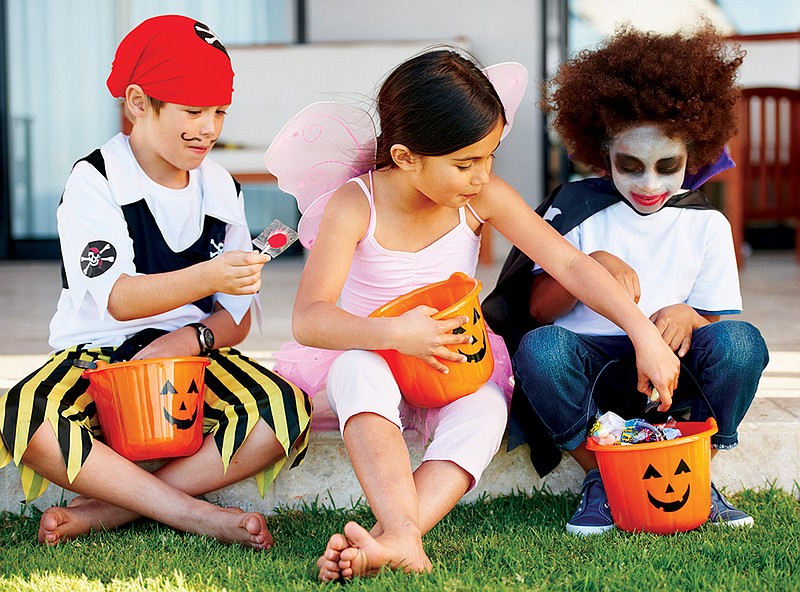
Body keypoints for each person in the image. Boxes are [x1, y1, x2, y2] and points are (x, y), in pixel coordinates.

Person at [265, 48, 680, 580]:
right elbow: (310, 319)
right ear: (406, 157)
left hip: (454, 362)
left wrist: (642, 332)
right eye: (465, 163)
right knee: (355, 370)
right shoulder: (356, 204)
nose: (481, 176)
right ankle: (403, 533)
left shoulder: (479, 197)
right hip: (376, 352)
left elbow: (571, 265)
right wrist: (394, 333)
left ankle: (398, 539)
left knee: (485, 411)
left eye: (490, 156)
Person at [0, 15, 311, 548]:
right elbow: (119, 299)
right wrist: (210, 274)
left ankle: (111, 510)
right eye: (193, 111)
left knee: (285, 410)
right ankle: (191, 514)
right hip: (96, 357)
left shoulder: (220, 185)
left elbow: (234, 321)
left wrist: (189, 337)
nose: (209, 128)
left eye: (219, 112)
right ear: (139, 103)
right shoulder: (97, 179)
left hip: (192, 361)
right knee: (24, 414)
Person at [483, 26, 769, 536]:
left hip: (669, 377)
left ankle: (696, 469)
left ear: (695, 154)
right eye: (630, 166)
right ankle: (603, 477)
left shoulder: (706, 224)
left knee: (742, 343)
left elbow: (719, 321)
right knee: (541, 351)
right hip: (591, 368)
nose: (649, 184)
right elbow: (538, 312)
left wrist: (689, 315)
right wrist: (589, 264)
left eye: (668, 167)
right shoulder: (575, 211)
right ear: (601, 151)